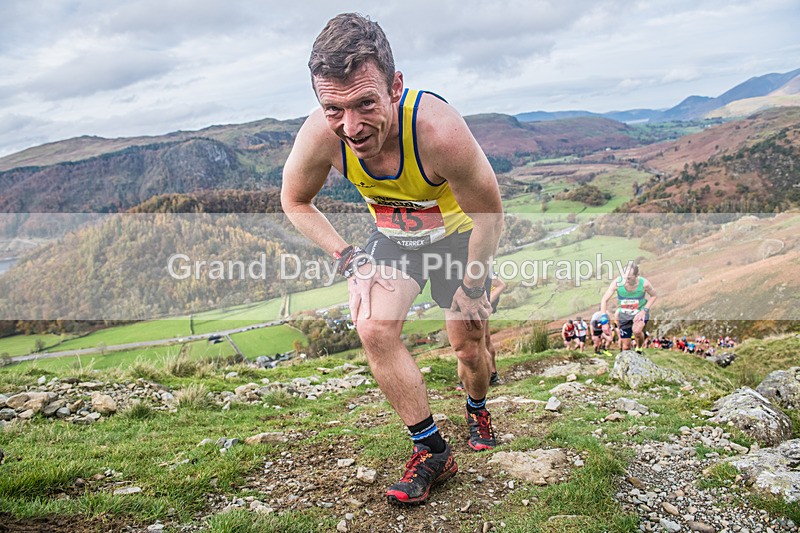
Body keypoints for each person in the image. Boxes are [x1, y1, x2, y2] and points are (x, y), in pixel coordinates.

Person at [280, 13, 503, 506]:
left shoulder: (439, 132)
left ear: (395, 87)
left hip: (458, 241)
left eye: (365, 103)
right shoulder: (321, 134)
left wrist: (472, 288)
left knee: (468, 347)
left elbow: (489, 216)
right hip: (394, 241)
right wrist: (349, 258)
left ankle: (477, 405)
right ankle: (432, 452)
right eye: (334, 108)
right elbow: (294, 200)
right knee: (373, 327)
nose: (351, 127)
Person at [600, 263, 658, 353]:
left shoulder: (644, 284)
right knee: (626, 347)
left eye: (629, 278)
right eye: (624, 277)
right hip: (624, 314)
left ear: (637, 275)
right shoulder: (617, 283)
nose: (625, 280)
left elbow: (654, 296)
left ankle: (639, 348)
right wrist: (604, 322)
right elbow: (604, 300)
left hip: (640, 312)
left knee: (637, 331)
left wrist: (644, 311)